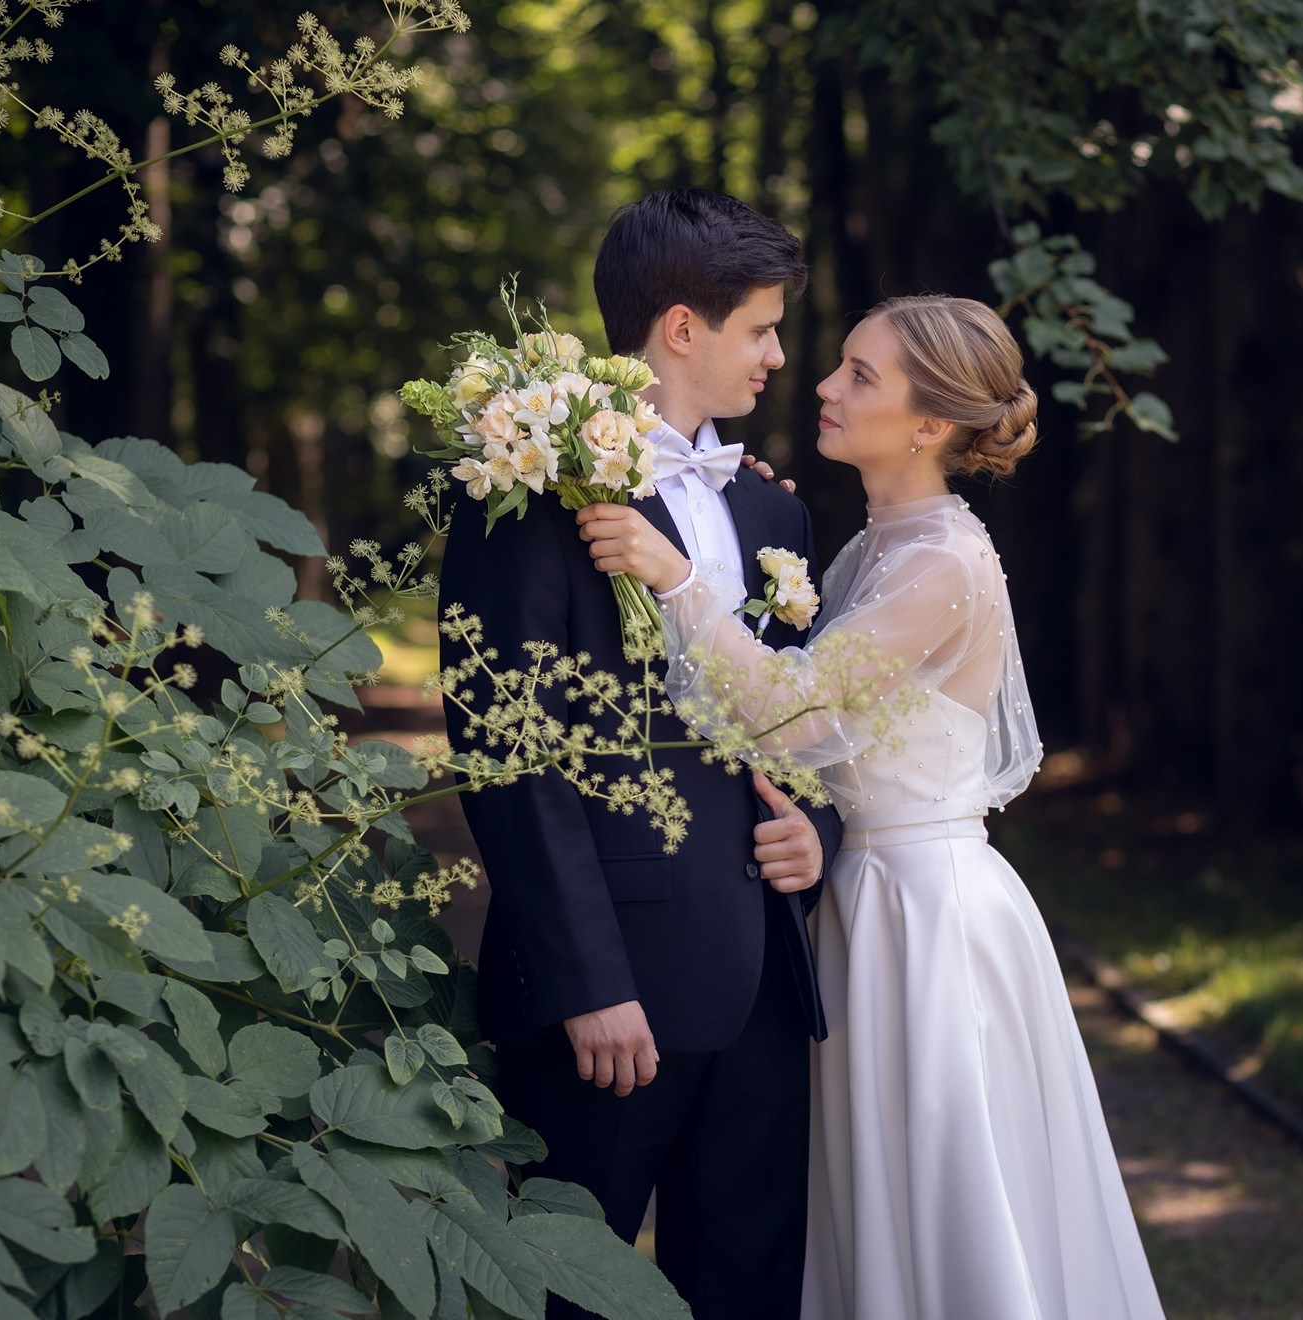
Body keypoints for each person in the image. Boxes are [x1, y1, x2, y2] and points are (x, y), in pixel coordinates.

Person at [576, 295, 1167, 1320]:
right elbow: (824, 751)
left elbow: (785, 708)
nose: (822, 384)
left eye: (860, 375)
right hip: (859, 902)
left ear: (929, 422)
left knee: (939, 1198)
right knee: (863, 1204)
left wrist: (678, 576)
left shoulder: (944, 561)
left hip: (926, 919)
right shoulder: (868, 549)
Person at [438, 188, 845, 1318]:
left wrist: (816, 831)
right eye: (760, 329)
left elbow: (802, 719)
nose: (776, 356)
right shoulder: (528, 486)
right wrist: (588, 983)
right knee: (569, 1294)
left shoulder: (774, 516)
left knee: (748, 1288)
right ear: (681, 327)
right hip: (613, 1002)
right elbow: (508, 748)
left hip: (765, 985)